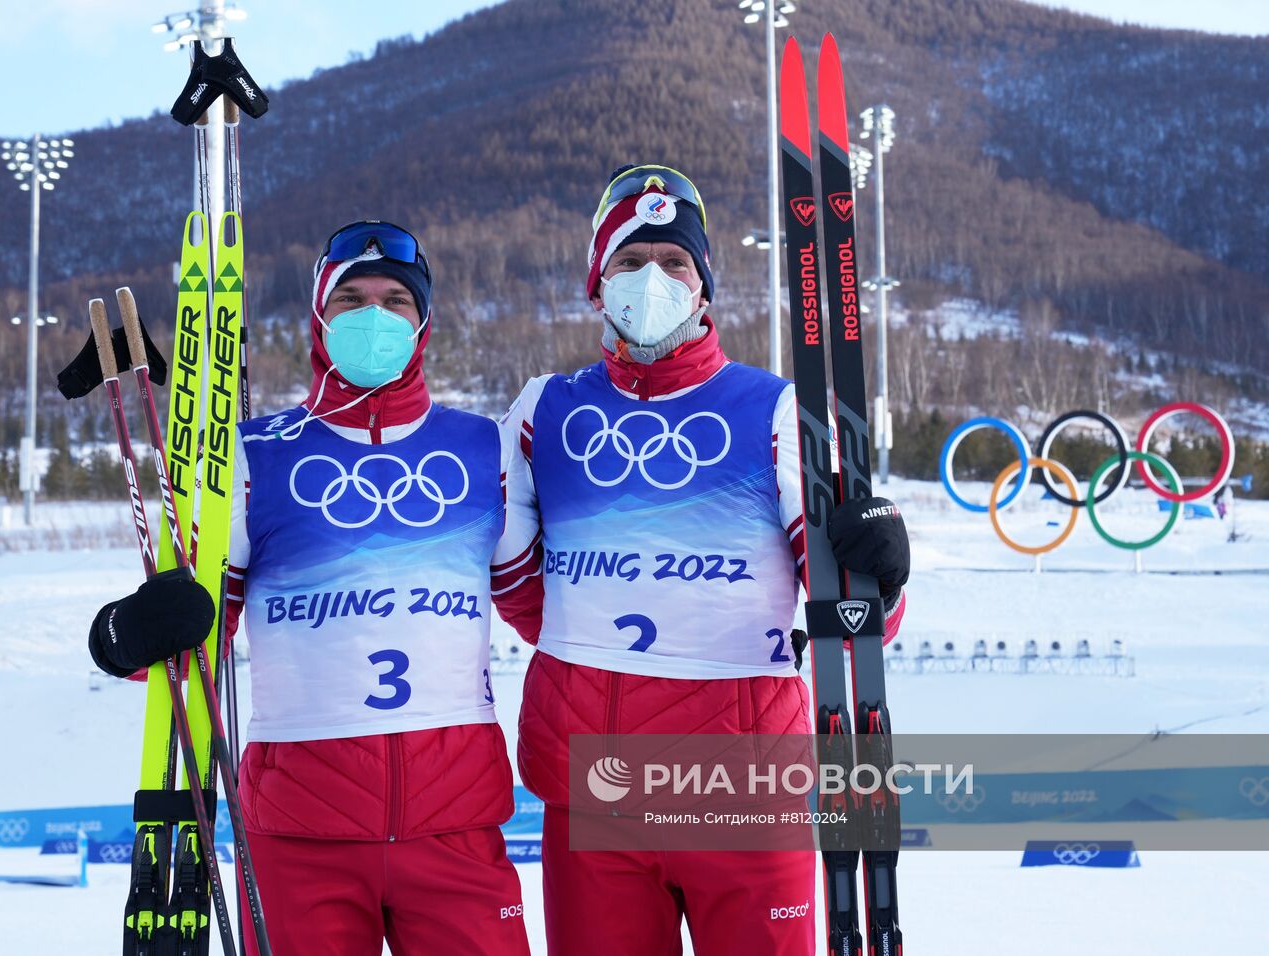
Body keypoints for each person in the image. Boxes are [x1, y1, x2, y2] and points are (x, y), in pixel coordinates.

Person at [495, 165, 911, 954]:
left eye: (675, 262)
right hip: (595, 792)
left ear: (704, 286)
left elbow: (851, 620)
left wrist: (884, 566)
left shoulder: (775, 409)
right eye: (629, 260)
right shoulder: (544, 410)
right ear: (597, 280)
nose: (652, 278)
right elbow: (518, 590)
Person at [89, 220, 532, 955]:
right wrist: (123, 633)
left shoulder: (484, 450)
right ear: (320, 317)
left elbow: (555, 611)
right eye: (352, 299)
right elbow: (188, 637)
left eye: (396, 300)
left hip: (455, 825)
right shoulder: (252, 456)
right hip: (300, 833)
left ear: (423, 321)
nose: (374, 317)